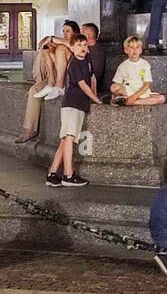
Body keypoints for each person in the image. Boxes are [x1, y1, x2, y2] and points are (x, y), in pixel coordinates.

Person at [45, 34, 100, 187]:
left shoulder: (87, 61)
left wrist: (94, 94)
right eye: (79, 45)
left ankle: (52, 173)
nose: (82, 47)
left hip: (80, 105)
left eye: (84, 45)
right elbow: (83, 85)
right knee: (69, 137)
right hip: (72, 104)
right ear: (72, 48)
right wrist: (96, 99)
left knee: (65, 140)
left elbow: (92, 78)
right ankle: (68, 175)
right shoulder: (74, 63)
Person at [14, 20, 80, 144]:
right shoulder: (60, 45)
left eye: (68, 31)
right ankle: (29, 130)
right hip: (54, 78)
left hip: (69, 80)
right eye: (64, 31)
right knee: (34, 90)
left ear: (75, 33)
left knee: (57, 47)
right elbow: (55, 62)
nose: (65, 34)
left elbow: (69, 46)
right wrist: (48, 49)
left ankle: (54, 85)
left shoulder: (77, 45)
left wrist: (51, 38)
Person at [110, 35, 166, 107]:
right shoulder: (122, 66)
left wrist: (134, 97)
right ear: (126, 50)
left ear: (140, 50)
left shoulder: (145, 64)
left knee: (161, 98)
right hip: (128, 91)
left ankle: (133, 102)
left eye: (137, 47)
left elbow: (146, 85)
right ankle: (126, 99)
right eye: (131, 47)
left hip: (142, 92)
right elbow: (117, 83)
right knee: (113, 87)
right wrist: (112, 99)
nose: (134, 50)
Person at [82, 23, 106, 87]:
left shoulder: (97, 50)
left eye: (82, 33)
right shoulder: (90, 47)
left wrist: (52, 39)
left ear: (88, 35)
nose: (79, 35)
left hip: (91, 83)